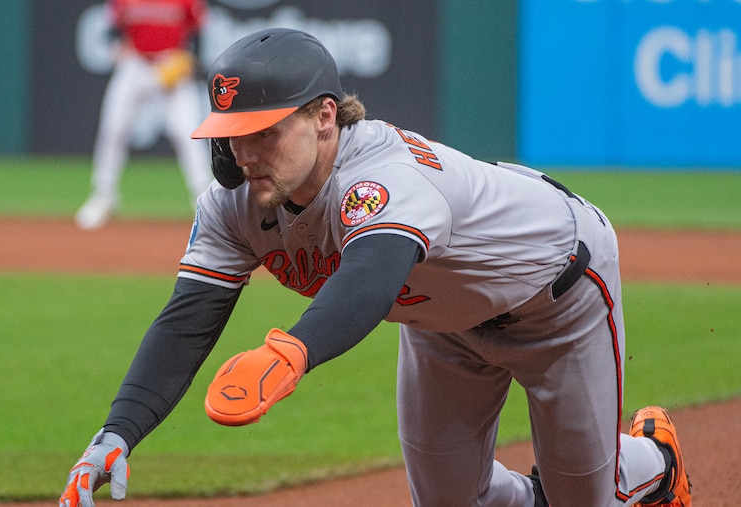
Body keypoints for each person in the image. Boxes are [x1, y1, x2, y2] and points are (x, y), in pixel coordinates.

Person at [59, 28, 692, 507]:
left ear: (324, 116)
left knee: (590, 500)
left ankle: (655, 459)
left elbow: (371, 274)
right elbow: (188, 316)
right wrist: (117, 432)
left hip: (556, 297)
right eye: (230, 134)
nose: (244, 153)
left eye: (264, 132)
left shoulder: (382, 174)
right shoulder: (236, 202)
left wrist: (291, 352)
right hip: (441, 320)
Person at [75, 0, 213, 230]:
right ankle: (103, 195)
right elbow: (112, 29)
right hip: (135, 64)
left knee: (188, 134)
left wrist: (189, 61)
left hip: (171, 63)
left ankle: (206, 202)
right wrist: (118, 45)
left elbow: (199, 30)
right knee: (114, 128)